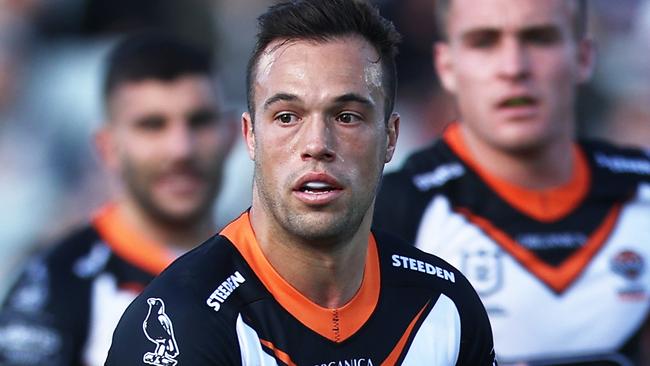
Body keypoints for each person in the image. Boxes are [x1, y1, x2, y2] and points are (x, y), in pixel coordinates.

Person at [105, 1, 497, 365]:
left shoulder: (445, 305)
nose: (316, 145)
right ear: (250, 136)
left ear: (390, 137)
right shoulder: (181, 323)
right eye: (287, 117)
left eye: (346, 116)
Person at [374, 0, 650, 364]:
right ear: (446, 65)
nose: (513, 67)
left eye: (539, 38)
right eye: (484, 41)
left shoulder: (642, 193)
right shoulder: (389, 212)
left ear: (584, 57)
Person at [0, 32, 236, 366]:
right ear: (108, 147)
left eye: (200, 122)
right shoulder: (56, 282)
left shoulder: (277, 267)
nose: (180, 149)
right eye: (152, 125)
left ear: (234, 134)